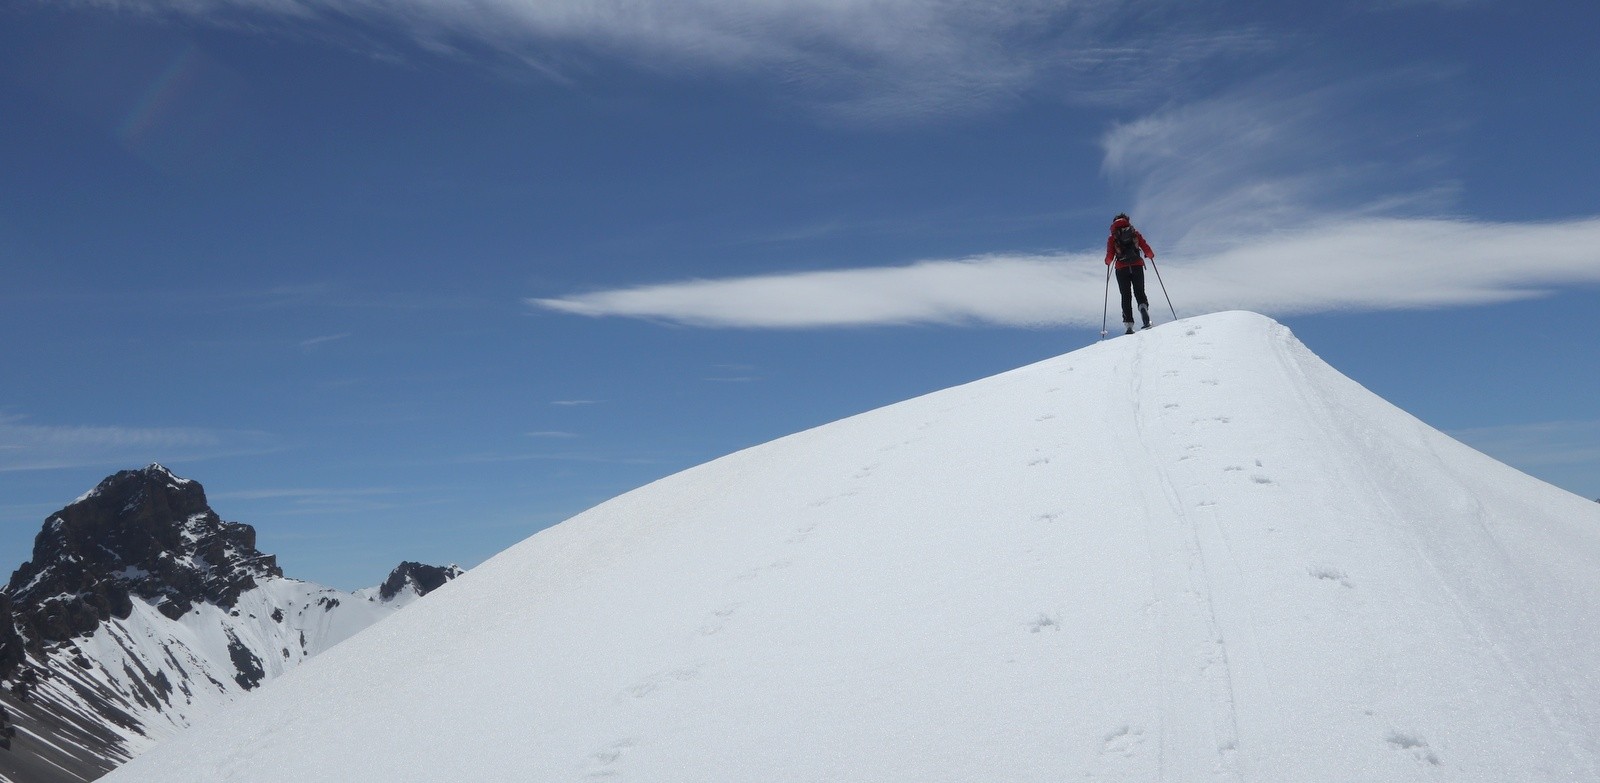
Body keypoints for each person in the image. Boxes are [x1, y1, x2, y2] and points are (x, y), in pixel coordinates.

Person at [1104, 213, 1155, 334]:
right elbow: (1146, 248)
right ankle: (1143, 308)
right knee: (1139, 291)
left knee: (1125, 295)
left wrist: (1107, 262)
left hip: (1121, 269)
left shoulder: (1112, 237)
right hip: (1137, 266)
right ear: (1127, 220)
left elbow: (1109, 257)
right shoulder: (1134, 232)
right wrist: (1150, 255)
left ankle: (1128, 325)